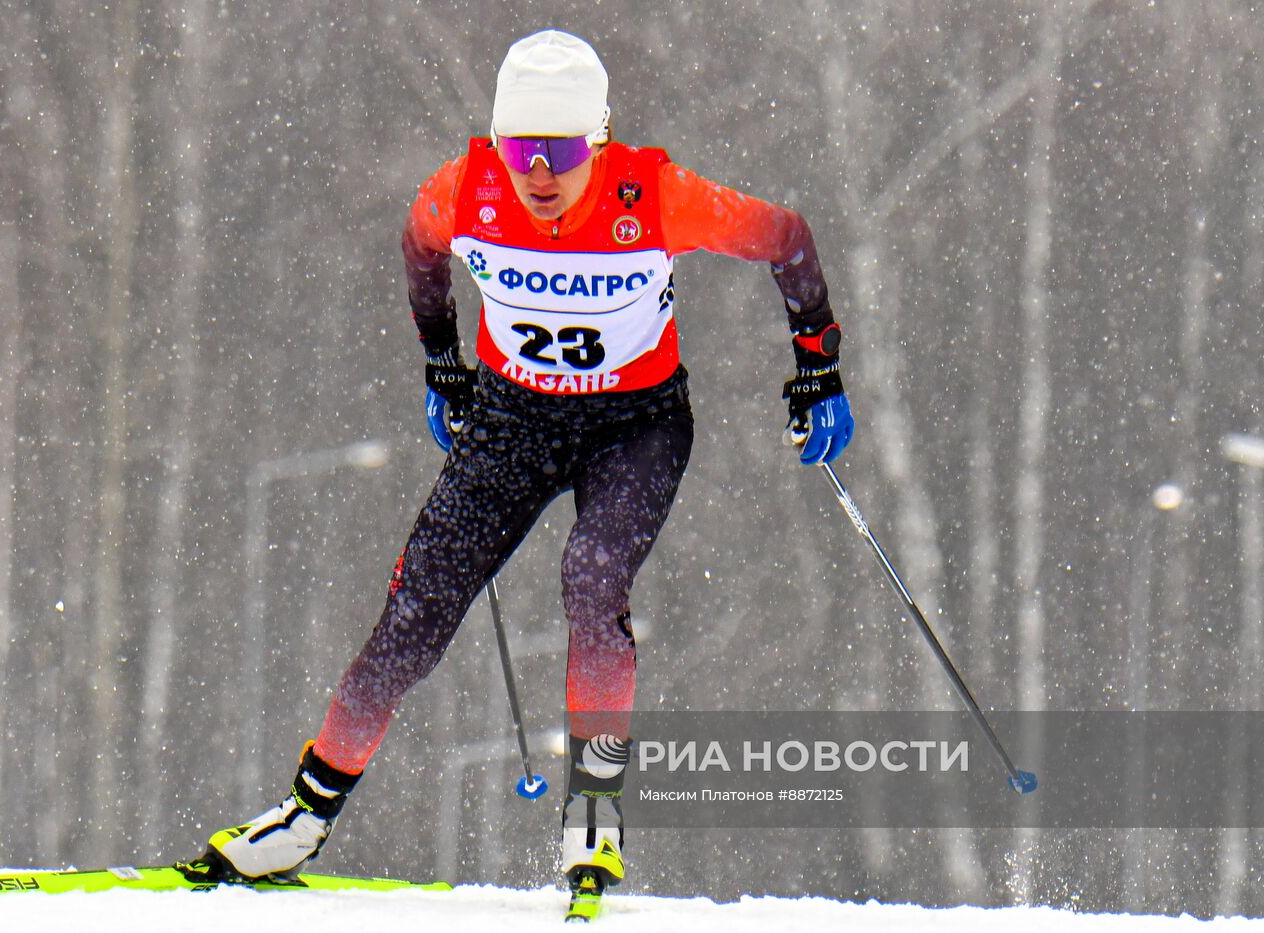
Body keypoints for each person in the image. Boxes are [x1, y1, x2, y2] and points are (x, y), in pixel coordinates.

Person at [199, 28, 853, 901]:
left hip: (637, 426)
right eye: (520, 150)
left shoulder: (650, 193)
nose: (539, 174)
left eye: (561, 151)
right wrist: (441, 357)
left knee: (591, 578)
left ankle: (596, 808)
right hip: (514, 419)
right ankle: (303, 819)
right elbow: (420, 250)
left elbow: (786, 237)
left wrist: (818, 361)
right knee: (416, 608)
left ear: (600, 141)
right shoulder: (466, 191)